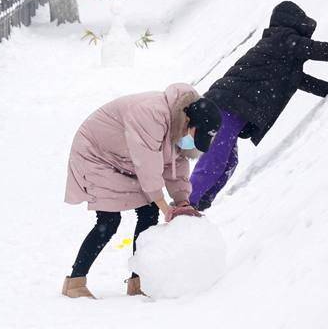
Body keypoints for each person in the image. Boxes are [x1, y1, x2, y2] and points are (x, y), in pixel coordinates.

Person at [188, 1, 328, 211]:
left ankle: (200, 204)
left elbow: (301, 81)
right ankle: (187, 204)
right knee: (216, 158)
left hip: (228, 106)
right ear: (293, 22)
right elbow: (317, 50)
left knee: (228, 161)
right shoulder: (281, 39)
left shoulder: (283, 55)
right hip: (225, 106)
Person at [62, 83, 222, 299]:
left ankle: (139, 281)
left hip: (127, 161)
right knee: (108, 221)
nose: (193, 141)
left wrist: (182, 201)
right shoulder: (152, 114)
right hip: (97, 154)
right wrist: (167, 207)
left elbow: (176, 166)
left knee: (148, 213)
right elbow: (147, 164)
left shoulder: (181, 126)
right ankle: (75, 282)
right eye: (196, 135)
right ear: (188, 121)